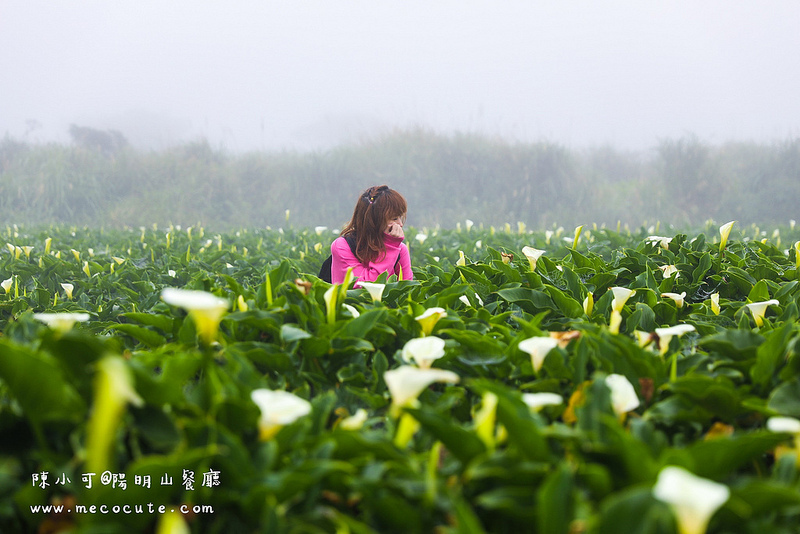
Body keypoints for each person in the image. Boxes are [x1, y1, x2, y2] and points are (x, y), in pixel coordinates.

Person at [331, 185, 413, 286]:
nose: (400, 224)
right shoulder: (342, 246)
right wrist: (390, 247)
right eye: (394, 218)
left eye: (400, 217)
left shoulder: (400, 250)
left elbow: (407, 290)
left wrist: (392, 246)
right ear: (374, 220)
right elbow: (365, 288)